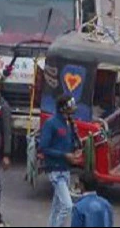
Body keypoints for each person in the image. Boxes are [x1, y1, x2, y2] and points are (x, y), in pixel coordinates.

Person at [39, 95, 83, 227]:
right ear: (63, 108)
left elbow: (71, 143)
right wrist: (64, 155)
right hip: (55, 170)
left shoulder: (69, 124)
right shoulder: (51, 123)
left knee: (57, 207)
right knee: (67, 206)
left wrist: (76, 150)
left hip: (65, 170)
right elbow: (43, 148)